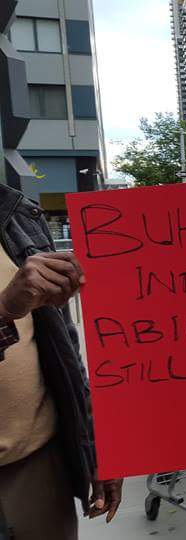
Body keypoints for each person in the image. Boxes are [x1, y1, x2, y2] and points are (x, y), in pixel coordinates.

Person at [0, 184, 122, 539]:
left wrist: (95, 447)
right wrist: (5, 309)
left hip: (38, 464)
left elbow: (64, 347)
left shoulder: (16, 216)